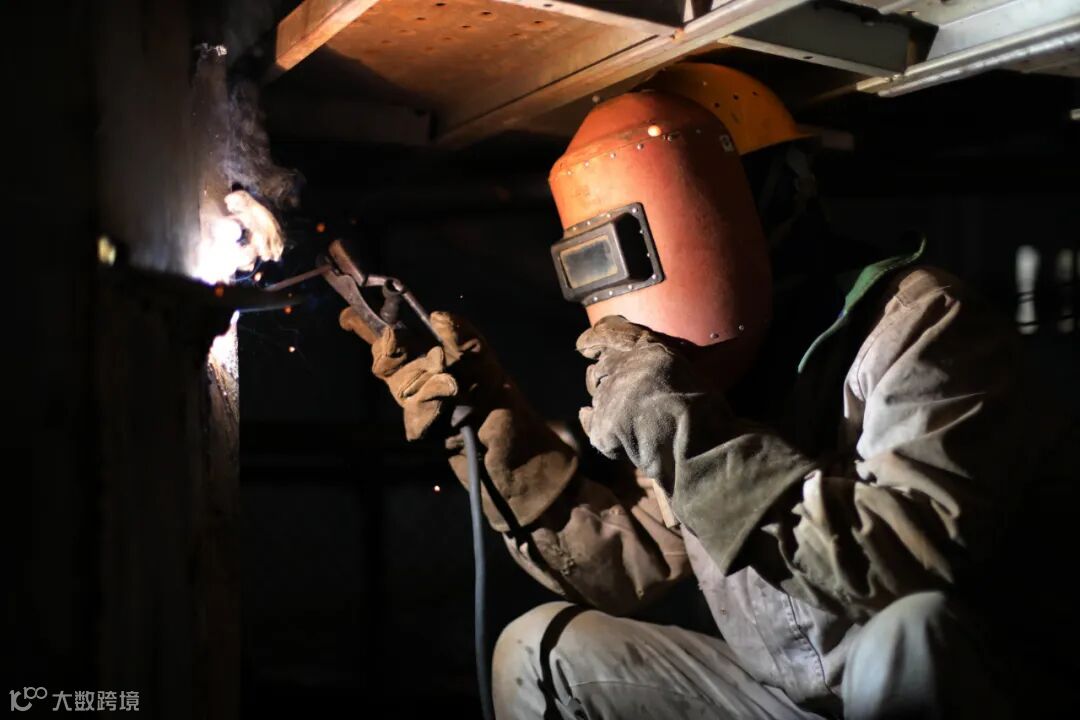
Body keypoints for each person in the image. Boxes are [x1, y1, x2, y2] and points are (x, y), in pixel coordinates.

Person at [341, 65, 1065, 719]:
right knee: (540, 652)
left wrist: (690, 436)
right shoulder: (719, 363)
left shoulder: (920, 324)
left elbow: (903, 562)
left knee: (907, 634)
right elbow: (629, 565)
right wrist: (495, 431)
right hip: (783, 701)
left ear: (772, 194)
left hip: (949, 688)